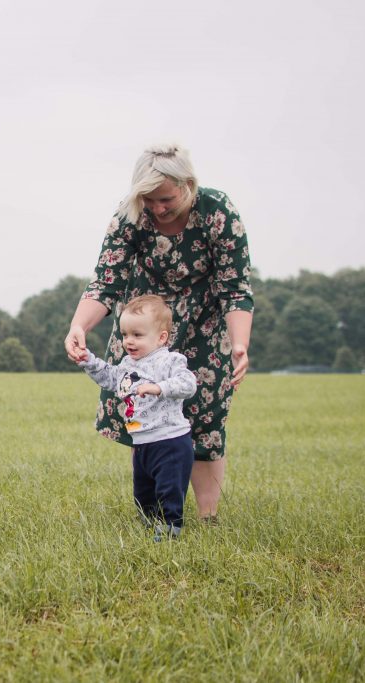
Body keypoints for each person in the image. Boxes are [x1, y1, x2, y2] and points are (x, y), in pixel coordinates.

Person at [64, 144, 253, 524]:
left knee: (205, 421)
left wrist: (239, 344)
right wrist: (78, 326)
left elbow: (235, 287)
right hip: (144, 322)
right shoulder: (130, 213)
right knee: (147, 414)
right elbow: (106, 281)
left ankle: (207, 517)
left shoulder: (217, 211)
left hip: (204, 324)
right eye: (149, 200)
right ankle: (153, 514)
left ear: (188, 185)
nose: (158, 208)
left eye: (165, 199)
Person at [72, 295, 198, 539]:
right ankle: (149, 524)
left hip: (170, 440)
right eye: (125, 334)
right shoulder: (128, 363)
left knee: (169, 488)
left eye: (137, 335)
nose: (128, 340)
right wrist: (88, 360)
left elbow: (188, 383)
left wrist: (159, 388)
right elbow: (110, 377)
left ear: (161, 337)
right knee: (143, 491)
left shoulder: (169, 360)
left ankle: (171, 528)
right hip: (141, 442)